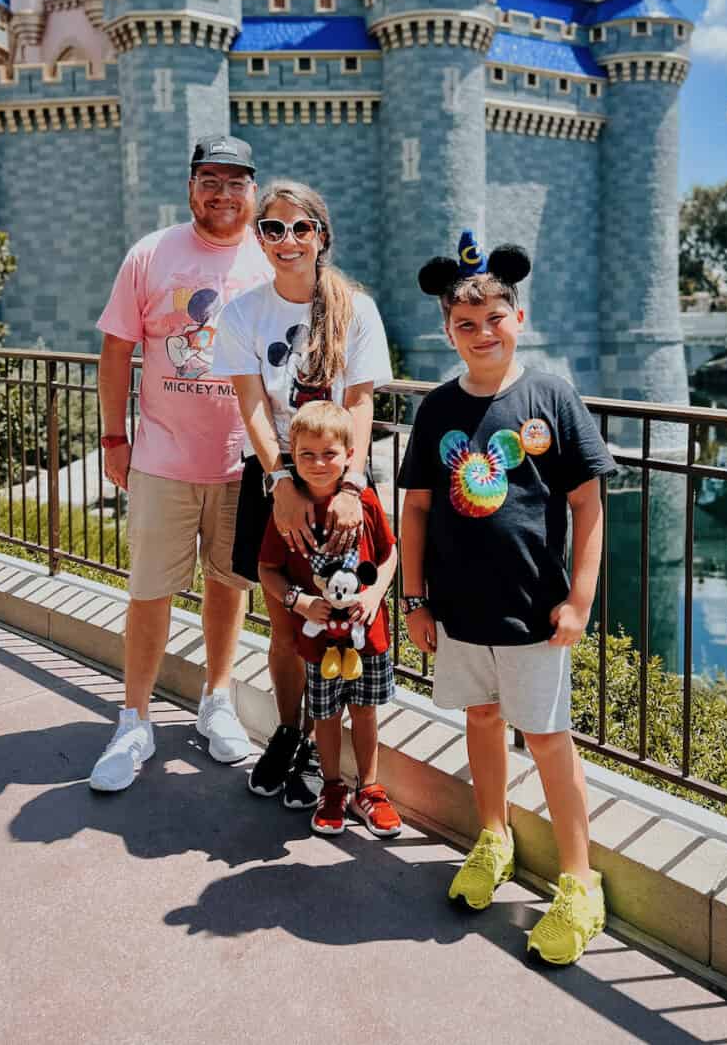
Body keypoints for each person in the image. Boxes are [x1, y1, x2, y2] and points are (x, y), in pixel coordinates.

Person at [397, 232, 617, 965]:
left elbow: (588, 504)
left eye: (495, 317)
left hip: (534, 613)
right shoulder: (436, 411)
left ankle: (579, 883)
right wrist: (414, 598)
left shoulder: (550, 393)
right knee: (482, 719)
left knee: (549, 739)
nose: (482, 332)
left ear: (517, 318)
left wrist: (579, 598)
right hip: (459, 612)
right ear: (448, 332)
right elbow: (420, 509)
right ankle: (493, 834)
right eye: (466, 323)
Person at [89, 135, 272, 792]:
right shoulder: (151, 254)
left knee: (228, 584)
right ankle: (133, 715)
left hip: (241, 461)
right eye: (210, 179)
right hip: (163, 457)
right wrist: (115, 438)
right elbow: (115, 353)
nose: (222, 193)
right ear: (191, 184)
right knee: (150, 590)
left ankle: (216, 697)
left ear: (253, 189)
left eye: (235, 181)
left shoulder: (269, 257)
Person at [214, 181, 393, 808]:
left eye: (300, 228)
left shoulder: (357, 311)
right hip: (278, 481)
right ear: (258, 238)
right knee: (287, 625)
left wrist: (348, 485)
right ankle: (292, 735)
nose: (287, 241)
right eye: (272, 229)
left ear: (321, 235)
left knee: (344, 622)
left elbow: (362, 402)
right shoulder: (242, 314)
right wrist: (281, 479)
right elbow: (253, 406)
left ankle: (340, 760)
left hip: (342, 488)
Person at [259, 401, 401, 838]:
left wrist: (376, 594)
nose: (319, 464)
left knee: (364, 711)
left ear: (349, 454)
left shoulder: (366, 503)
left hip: (366, 637)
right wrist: (299, 603)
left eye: (330, 454)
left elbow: (389, 554)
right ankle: (333, 788)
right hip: (318, 642)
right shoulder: (287, 512)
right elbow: (267, 569)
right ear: (291, 455)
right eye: (307, 455)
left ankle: (370, 788)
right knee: (325, 715)